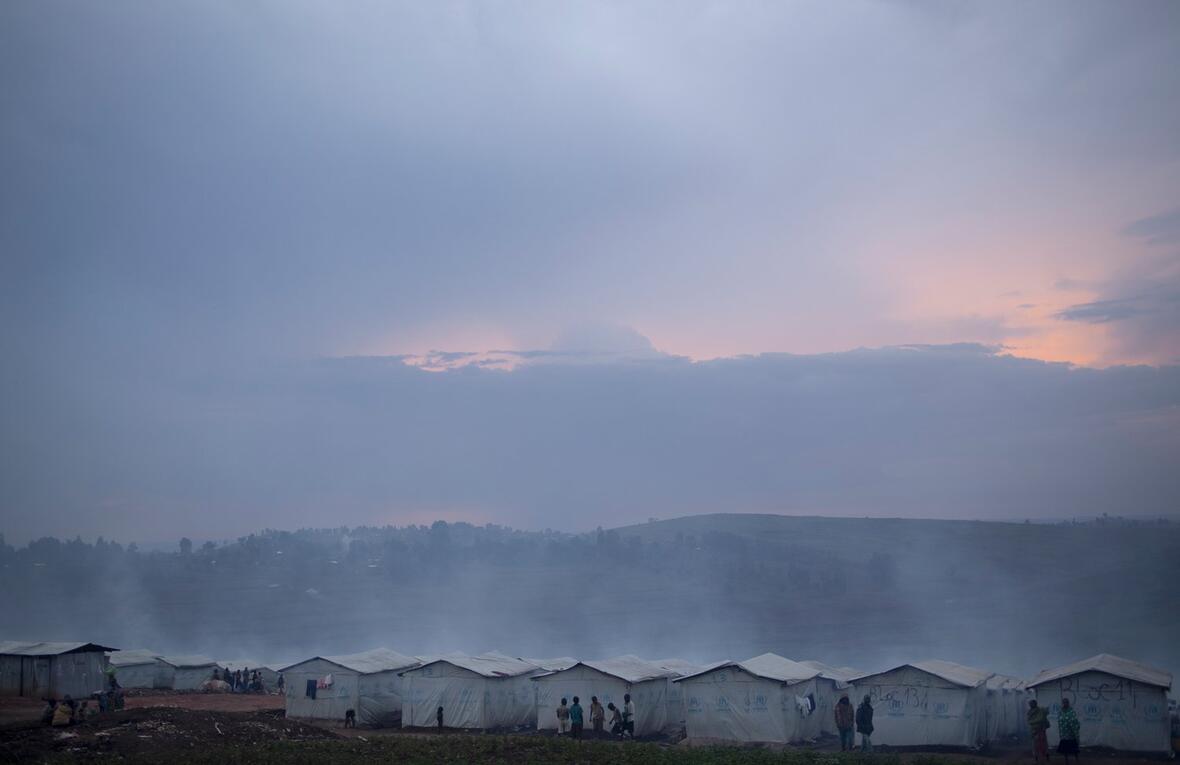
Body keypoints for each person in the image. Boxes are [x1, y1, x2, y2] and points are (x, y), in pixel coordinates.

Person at [1057, 698, 1080, 764]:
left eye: (1066, 702)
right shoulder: (1061, 711)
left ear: (1068, 703)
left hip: (1071, 733)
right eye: (1064, 702)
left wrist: (1071, 724)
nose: (1065, 704)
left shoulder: (1071, 711)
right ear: (1062, 703)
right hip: (1064, 733)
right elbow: (1060, 720)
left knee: (1074, 748)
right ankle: (1066, 760)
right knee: (1065, 749)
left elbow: (1074, 720)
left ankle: (1077, 759)